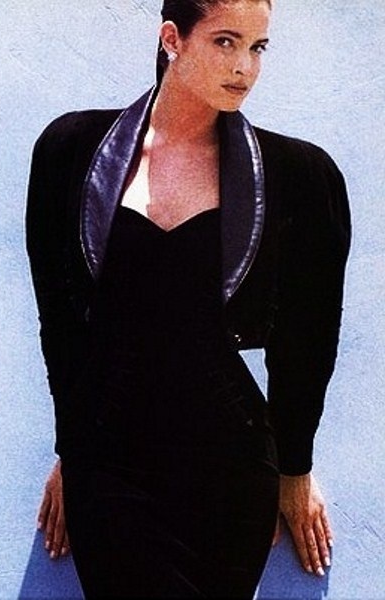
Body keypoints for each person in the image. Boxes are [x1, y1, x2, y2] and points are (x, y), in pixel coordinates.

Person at [26, 0, 351, 596]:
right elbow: (61, 324)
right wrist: (70, 449)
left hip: (227, 471)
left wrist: (295, 469)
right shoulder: (70, 152)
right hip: (108, 466)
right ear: (173, 39)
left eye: (257, 47)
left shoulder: (300, 176)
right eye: (225, 41)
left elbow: (308, 339)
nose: (244, 67)